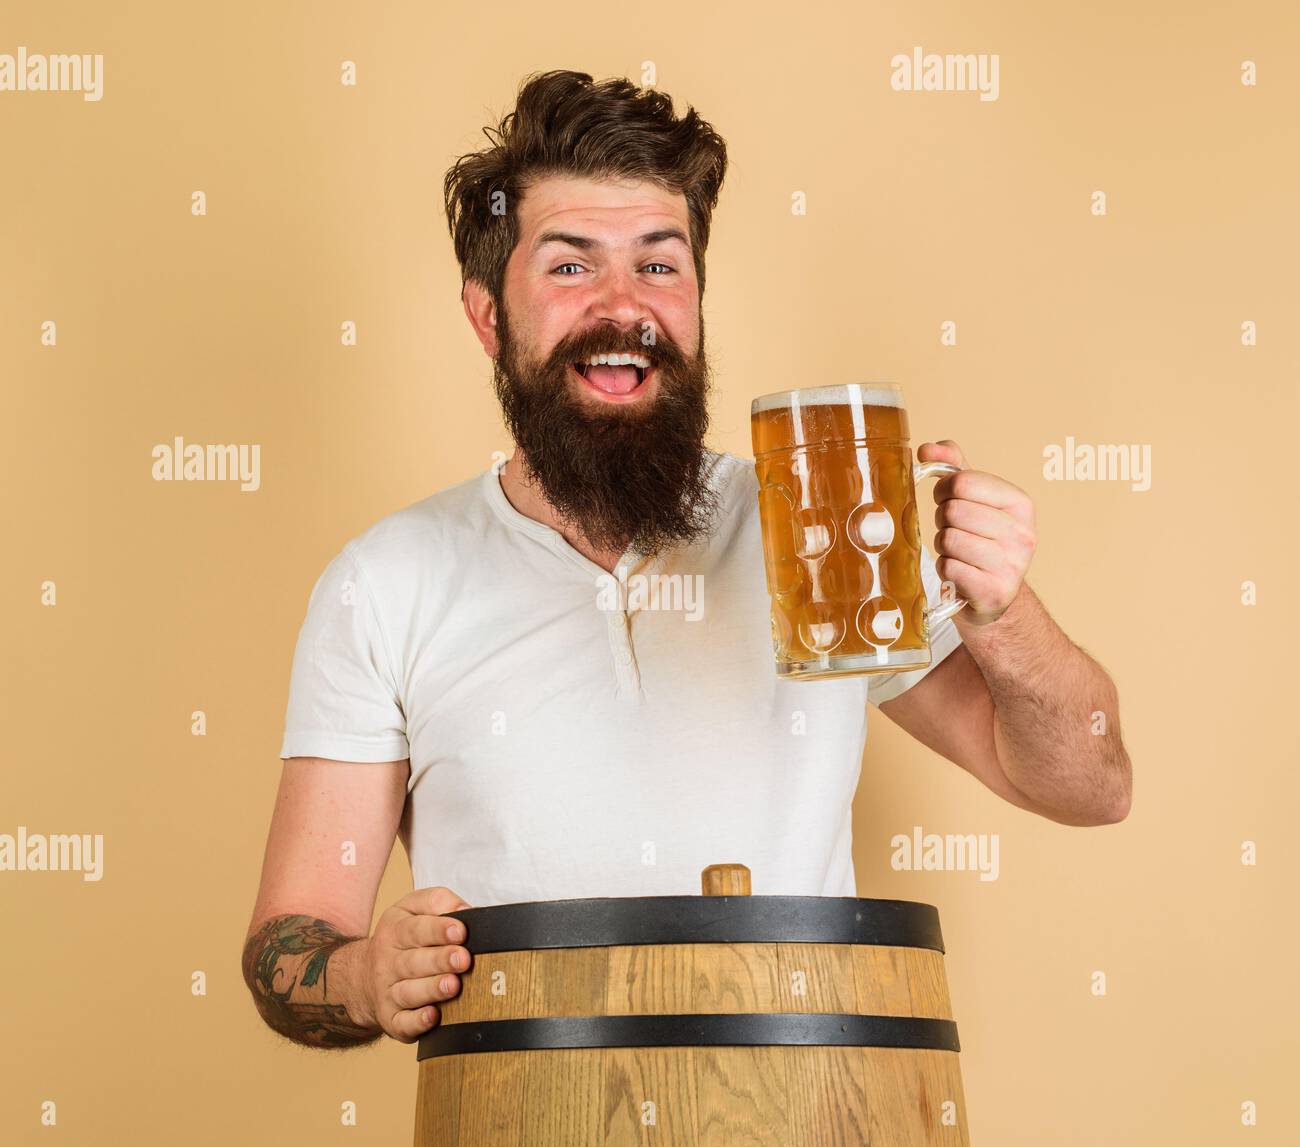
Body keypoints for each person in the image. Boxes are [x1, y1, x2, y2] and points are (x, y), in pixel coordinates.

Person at [241, 70, 1131, 1050]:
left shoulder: (817, 533)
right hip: (522, 1133)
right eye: (571, 267)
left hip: (806, 1121)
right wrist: (364, 975)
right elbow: (289, 940)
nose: (625, 306)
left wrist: (1001, 614)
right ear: (489, 315)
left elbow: (1089, 786)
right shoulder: (387, 581)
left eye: (659, 266)